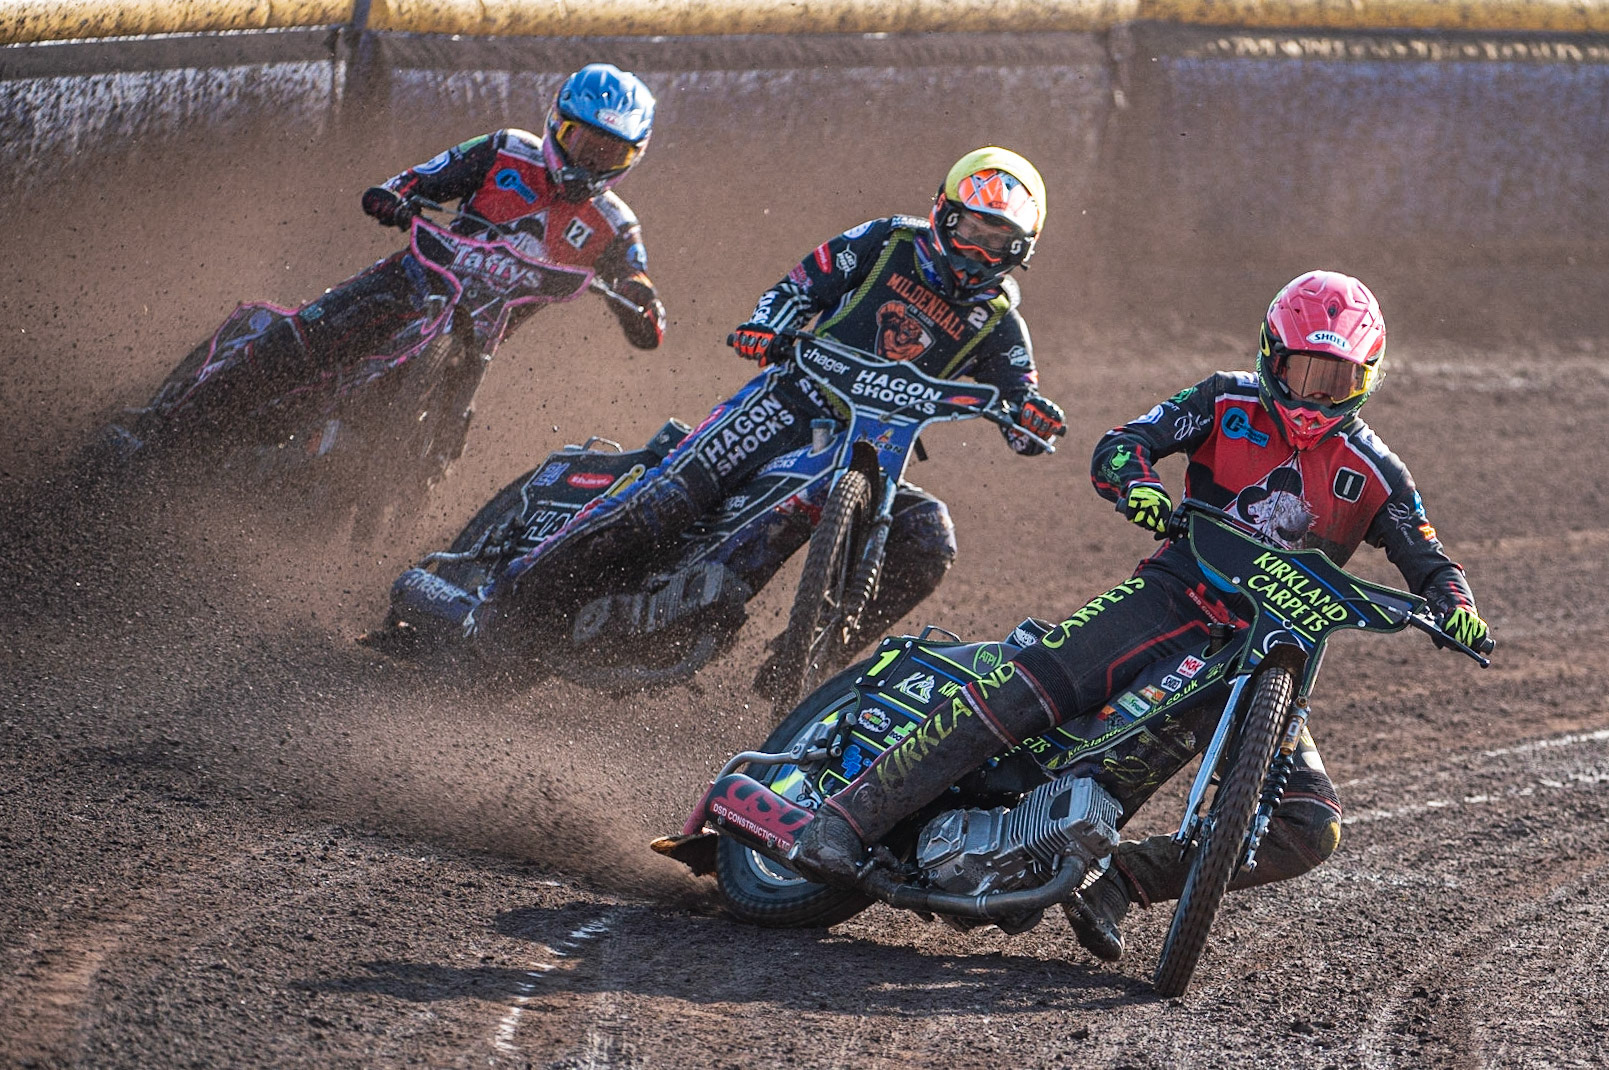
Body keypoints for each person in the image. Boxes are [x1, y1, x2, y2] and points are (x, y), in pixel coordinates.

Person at [788, 269, 1492, 961]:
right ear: (1270, 355)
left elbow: (1431, 560)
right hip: (1171, 594)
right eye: (1302, 372)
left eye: (1335, 381)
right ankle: (846, 819)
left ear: (1367, 379)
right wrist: (1138, 487)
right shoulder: (1223, 400)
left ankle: (1120, 884)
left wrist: (1456, 607)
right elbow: (1123, 444)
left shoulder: (1375, 470)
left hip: (1268, 652)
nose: (1314, 396)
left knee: (1309, 826)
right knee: (1031, 687)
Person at [475, 146, 1069, 670]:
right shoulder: (888, 241)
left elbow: (1022, 408)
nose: (977, 251)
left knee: (928, 536)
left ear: (1019, 252)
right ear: (944, 213)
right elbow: (798, 288)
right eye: (971, 230)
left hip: (875, 447)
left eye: (997, 243)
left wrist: (1032, 418)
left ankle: (811, 660)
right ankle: (505, 604)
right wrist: (767, 326)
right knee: (665, 501)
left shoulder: (1000, 323)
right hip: (788, 401)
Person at [120, 62, 665, 454]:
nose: (590, 161)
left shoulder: (614, 223)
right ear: (556, 123)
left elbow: (637, 281)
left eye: (608, 153)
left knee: (446, 442)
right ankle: (162, 429)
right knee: (303, 342)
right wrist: (395, 198)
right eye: (582, 142)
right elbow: (417, 179)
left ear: (630, 158)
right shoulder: (506, 149)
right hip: (408, 284)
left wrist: (639, 300)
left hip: (474, 343)